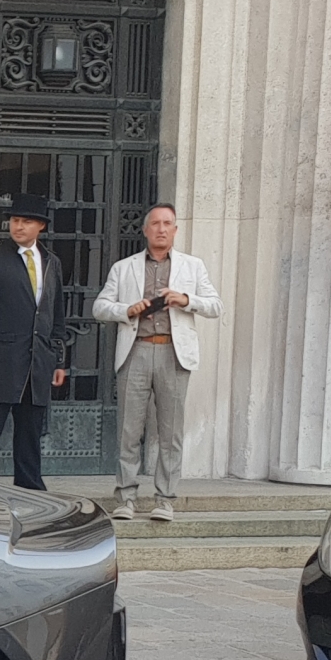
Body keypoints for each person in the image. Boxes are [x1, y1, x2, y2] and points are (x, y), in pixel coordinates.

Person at [93, 204, 220, 523]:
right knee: (129, 429)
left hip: (173, 354)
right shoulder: (125, 268)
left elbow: (215, 306)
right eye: (155, 224)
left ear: (175, 230)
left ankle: (165, 499)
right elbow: (99, 307)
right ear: (145, 229)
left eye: (168, 224)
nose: (161, 229)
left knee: (170, 431)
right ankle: (126, 497)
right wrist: (127, 310)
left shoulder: (193, 267)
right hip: (136, 349)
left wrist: (185, 300)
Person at [0, 192, 66, 491]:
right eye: (15, 220)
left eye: (27, 221)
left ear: (41, 226)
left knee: (30, 436)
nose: (19, 227)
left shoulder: (51, 262)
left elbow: (56, 313)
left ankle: (31, 493)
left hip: (38, 365)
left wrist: (58, 360)